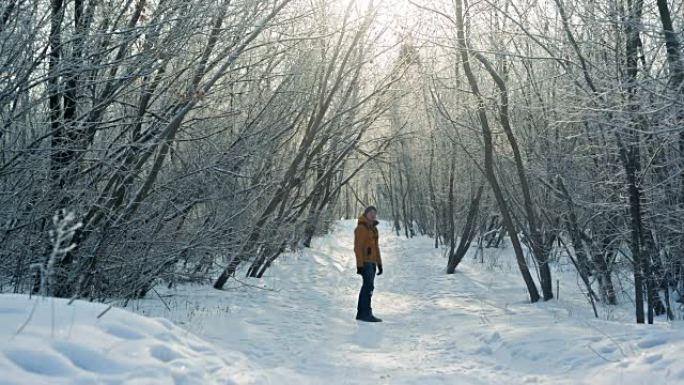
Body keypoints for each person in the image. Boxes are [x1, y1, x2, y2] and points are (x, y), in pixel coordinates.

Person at [354, 206, 383, 322]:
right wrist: (359, 265)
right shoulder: (361, 228)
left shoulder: (374, 229)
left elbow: (376, 247)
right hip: (365, 262)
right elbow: (358, 247)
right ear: (366, 214)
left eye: (374, 213)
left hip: (372, 262)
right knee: (368, 287)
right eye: (371, 213)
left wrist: (379, 263)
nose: (373, 215)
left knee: (368, 287)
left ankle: (363, 312)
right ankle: (364, 313)